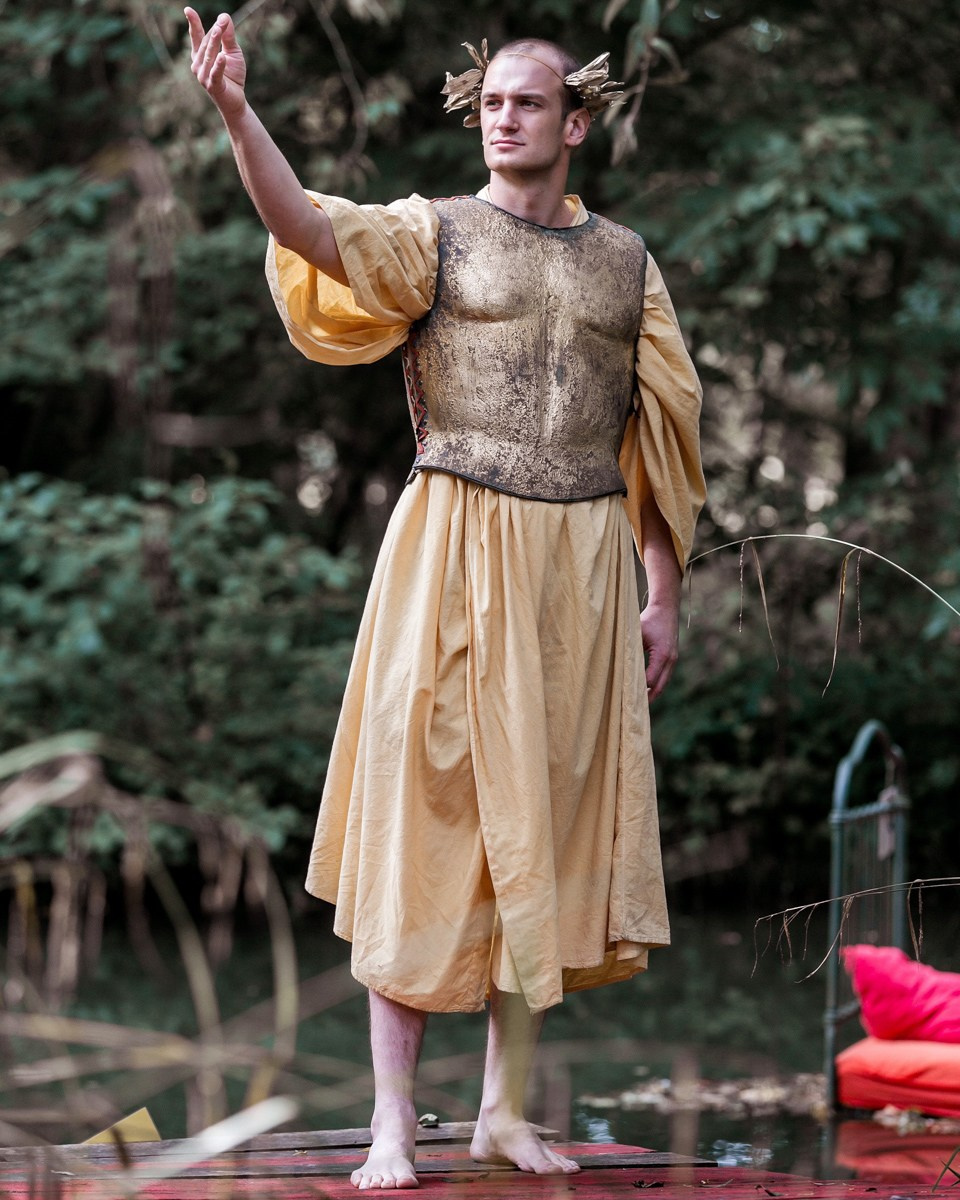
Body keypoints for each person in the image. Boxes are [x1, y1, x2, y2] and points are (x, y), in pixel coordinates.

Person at [186, 10, 705, 1190]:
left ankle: (503, 1113)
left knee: (550, 825)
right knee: (423, 815)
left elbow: (660, 434)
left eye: (526, 103)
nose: (502, 118)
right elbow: (308, 226)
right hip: (454, 541)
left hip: (579, 562)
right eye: (490, 105)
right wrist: (236, 112)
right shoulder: (434, 234)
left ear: (574, 122)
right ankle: (389, 1122)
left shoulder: (628, 261)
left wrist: (662, 592)